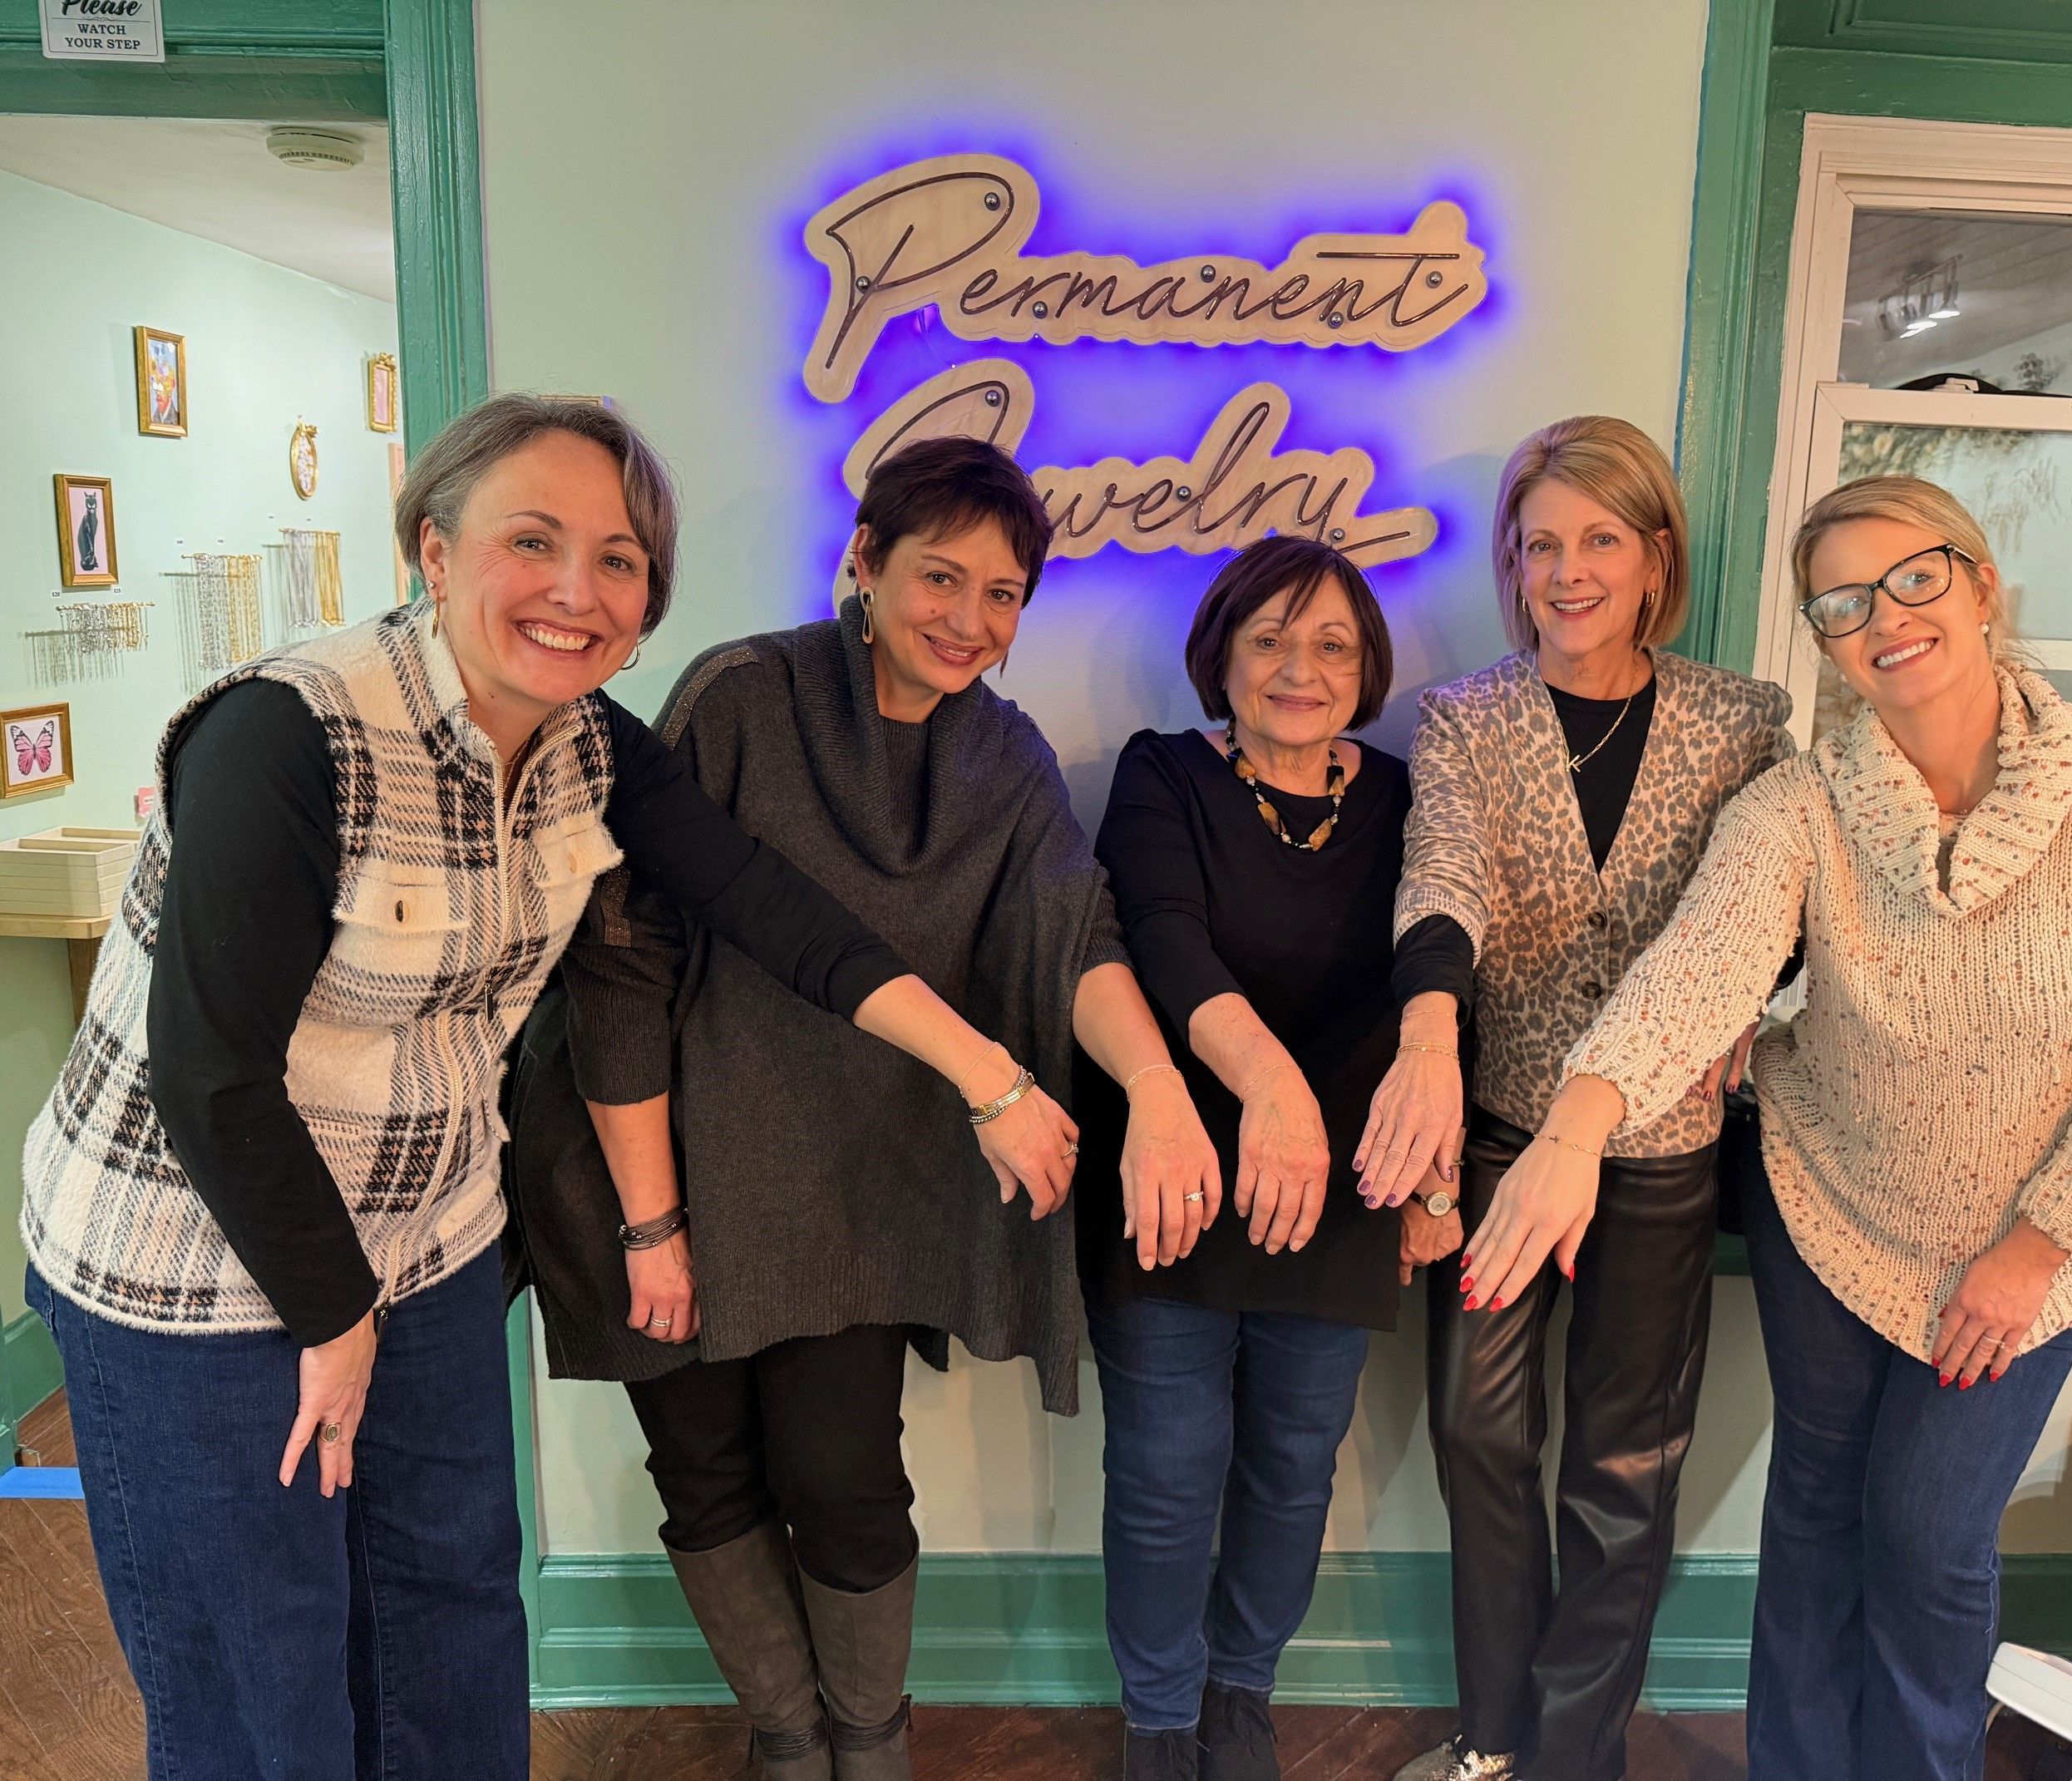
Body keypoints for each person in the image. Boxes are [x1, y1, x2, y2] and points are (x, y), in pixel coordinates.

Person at [17, 395, 1073, 1779]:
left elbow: (775, 912)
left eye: (619, 559)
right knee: (264, 1675)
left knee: (451, 1620)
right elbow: (210, 1076)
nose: (578, 590)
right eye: (534, 540)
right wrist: (333, 1312)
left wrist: (991, 1077)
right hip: (198, 1265)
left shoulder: (591, 744)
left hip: (431, 1241)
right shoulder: (289, 733)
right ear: (433, 546)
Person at [1464, 476, 2072, 1781]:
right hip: (1828, 1205)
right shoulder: (1803, 803)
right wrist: (1572, 1130)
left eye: (1914, 578)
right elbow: (1698, 973)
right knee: (1817, 1515)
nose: (1885, 617)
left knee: (1930, 1534)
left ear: (1981, 585)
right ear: (1824, 640)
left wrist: (2038, 1244)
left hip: (2029, 1246)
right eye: (1842, 602)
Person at [515, 436, 1219, 1781]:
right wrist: (652, 1220)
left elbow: (1073, 933)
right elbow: (621, 955)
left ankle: (870, 1745)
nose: (970, 619)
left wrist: (1156, 1085)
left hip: (844, 1188)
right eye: (940, 576)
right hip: (653, 1154)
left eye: (1003, 594)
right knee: (706, 1472)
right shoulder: (743, 693)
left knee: (843, 1480)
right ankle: (789, 1742)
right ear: (865, 560)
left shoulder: (1004, 756)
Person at [1368, 417, 1793, 1781]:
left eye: (1600, 538)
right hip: (1501, 1136)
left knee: (1625, 1466)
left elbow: (1776, 911)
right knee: (1478, 1432)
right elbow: (1442, 876)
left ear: (1656, 555)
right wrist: (1428, 1027)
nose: (1567, 571)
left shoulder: (1742, 721)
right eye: (1540, 543)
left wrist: (1753, 1003)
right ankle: (1497, 1743)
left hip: (1661, 1151)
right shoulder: (1466, 718)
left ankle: (1570, 1757)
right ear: (1512, 562)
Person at [1072, 536, 1418, 1781]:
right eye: (1268, 639)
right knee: (1167, 1469)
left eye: (1331, 644)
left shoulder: (1405, 797)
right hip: (1177, 1170)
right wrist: (1270, 1088)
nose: (1298, 668)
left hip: (1343, 1187)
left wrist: (1431, 1181)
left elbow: (1442, 981)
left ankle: (1241, 1697)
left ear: (1367, 667)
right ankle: (1161, 1720)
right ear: (1220, 654)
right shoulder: (1161, 772)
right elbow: (1161, 937)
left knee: (1291, 1470)